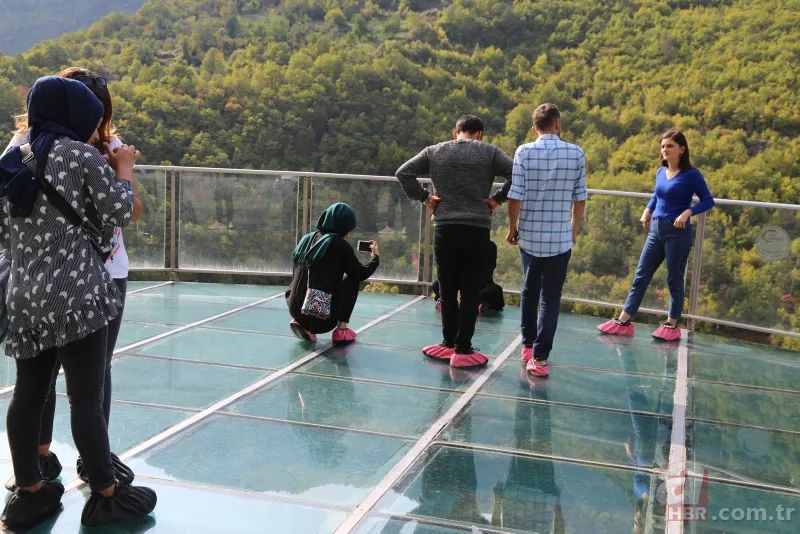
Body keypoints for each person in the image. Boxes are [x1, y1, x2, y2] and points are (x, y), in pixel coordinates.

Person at [0, 76, 156, 528]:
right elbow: (120, 211)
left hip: (26, 296)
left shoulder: (14, 158)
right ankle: (106, 494)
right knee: (85, 399)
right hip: (78, 296)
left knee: (27, 394)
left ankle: (29, 490)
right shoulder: (81, 155)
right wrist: (124, 167)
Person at [396, 115, 513, 368]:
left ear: (455, 133)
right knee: (470, 289)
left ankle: (447, 344)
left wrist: (425, 197)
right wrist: (497, 199)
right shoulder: (490, 153)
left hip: (445, 228)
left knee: (447, 288)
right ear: (479, 134)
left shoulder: (434, 151)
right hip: (476, 228)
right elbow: (518, 174)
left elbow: (403, 172)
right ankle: (463, 349)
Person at [597, 130, 714, 341]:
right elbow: (657, 195)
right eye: (663, 146)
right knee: (640, 276)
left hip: (677, 232)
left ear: (682, 149)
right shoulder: (661, 172)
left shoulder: (692, 175)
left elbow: (708, 201)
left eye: (670, 146)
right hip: (656, 230)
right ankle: (624, 320)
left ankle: (672, 323)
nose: (665, 150)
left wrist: (688, 212)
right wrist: (647, 211)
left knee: (674, 279)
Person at [506, 103, 587, 377]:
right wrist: (573, 229)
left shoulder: (524, 151)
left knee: (529, 291)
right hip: (560, 239)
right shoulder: (576, 153)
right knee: (551, 299)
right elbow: (580, 197)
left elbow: (515, 194)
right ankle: (540, 359)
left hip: (529, 236)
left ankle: (527, 345)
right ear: (558, 124)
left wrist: (512, 227)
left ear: (534, 128)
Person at [286, 202, 379, 344]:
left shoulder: (307, 238)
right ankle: (341, 329)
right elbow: (360, 274)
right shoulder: (338, 244)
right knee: (352, 278)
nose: (349, 233)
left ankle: (303, 324)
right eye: (349, 228)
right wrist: (374, 258)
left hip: (294, 307)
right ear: (343, 226)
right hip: (321, 315)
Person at [431, 240, 505, 314]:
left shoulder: (490, 246)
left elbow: (487, 270)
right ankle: (469, 303)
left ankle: (467, 303)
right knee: (437, 284)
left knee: (495, 292)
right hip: (463, 284)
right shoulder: (464, 244)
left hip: (481, 285)